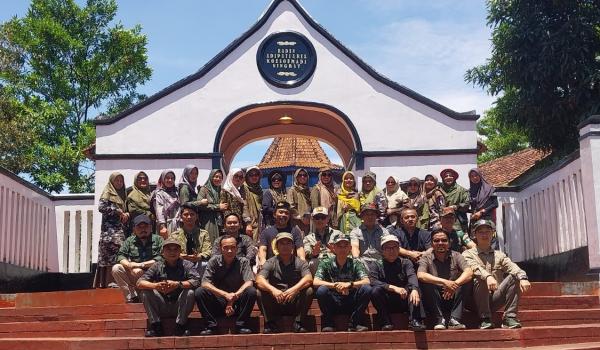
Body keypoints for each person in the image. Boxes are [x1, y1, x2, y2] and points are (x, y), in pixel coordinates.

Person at [463, 220, 531, 329]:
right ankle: (484, 318)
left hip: (494, 298)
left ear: (493, 233)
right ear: (474, 235)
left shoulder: (499, 255)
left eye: (488, 231)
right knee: (480, 278)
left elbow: (512, 266)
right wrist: (488, 276)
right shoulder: (467, 254)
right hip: (474, 300)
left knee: (514, 276)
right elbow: (475, 267)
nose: (484, 234)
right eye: (480, 232)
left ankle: (509, 317)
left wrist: (522, 277)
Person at [137, 238, 200, 337]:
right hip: (162, 305)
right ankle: (156, 326)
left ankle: (181, 325)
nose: (172, 252)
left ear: (180, 252)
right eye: (169, 249)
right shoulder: (157, 266)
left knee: (190, 292)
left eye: (175, 249)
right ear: (162, 252)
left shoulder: (187, 265)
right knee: (146, 292)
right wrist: (155, 286)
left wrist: (177, 284)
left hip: (179, 306)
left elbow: (197, 281)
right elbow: (140, 282)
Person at [195, 235, 257, 335]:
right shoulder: (214, 261)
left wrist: (234, 296)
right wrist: (225, 295)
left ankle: (241, 325)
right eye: (226, 248)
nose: (229, 251)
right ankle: (211, 326)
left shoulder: (243, 262)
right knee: (199, 292)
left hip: (237, 303)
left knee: (251, 291)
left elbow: (249, 282)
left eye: (232, 247)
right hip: (219, 303)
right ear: (220, 249)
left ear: (237, 249)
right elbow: (205, 283)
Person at [256, 232, 314, 333]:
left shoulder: (300, 262)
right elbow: (259, 279)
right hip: (276, 301)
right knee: (259, 292)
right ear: (277, 246)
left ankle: (298, 322)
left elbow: (309, 278)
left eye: (288, 243)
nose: (285, 246)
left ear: (293, 246)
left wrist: (294, 290)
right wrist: (273, 290)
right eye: (282, 243)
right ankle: (270, 323)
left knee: (309, 290)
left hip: (293, 302)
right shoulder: (270, 262)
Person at [313, 234, 372, 332]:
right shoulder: (325, 262)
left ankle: (355, 323)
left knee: (367, 288)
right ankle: (329, 323)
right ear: (334, 248)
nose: (342, 249)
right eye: (339, 246)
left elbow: (367, 281)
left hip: (351, 300)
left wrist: (349, 284)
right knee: (321, 290)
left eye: (345, 246)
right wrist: (335, 285)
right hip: (333, 301)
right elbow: (316, 282)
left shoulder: (355, 263)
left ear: (350, 248)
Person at [417, 229, 473, 330]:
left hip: (454, 297)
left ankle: (454, 319)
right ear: (432, 244)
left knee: (466, 282)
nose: (440, 243)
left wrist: (454, 285)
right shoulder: (426, 257)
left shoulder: (457, 255)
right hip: (435, 299)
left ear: (449, 242)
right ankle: (439, 319)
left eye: (444, 240)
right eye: (436, 241)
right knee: (425, 283)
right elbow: (421, 275)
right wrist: (445, 282)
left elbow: (469, 272)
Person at [369, 235, 426, 331]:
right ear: (382, 250)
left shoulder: (406, 262)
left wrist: (415, 289)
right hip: (387, 301)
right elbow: (373, 281)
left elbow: (412, 276)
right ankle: (385, 322)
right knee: (375, 291)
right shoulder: (376, 264)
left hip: (403, 299)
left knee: (414, 288)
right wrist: (392, 287)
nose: (392, 251)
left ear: (399, 249)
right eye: (388, 248)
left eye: (395, 247)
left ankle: (415, 320)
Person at [112, 214, 163, 303]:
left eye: (146, 227)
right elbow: (120, 256)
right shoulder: (129, 241)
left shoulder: (158, 239)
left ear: (151, 227)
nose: (143, 229)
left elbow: (162, 257)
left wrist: (141, 265)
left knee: (156, 299)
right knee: (116, 268)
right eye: (139, 227)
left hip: (154, 276)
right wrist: (130, 266)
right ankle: (132, 296)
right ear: (134, 229)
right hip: (136, 274)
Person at [94, 172, 129, 288]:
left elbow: (126, 209)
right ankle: (108, 282)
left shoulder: (123, 194)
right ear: (111, 182)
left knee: (121, 253)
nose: (119, 183)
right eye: (117, 181)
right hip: (109, 231)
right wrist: (117, 211)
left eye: (121, 181)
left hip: (120, 229)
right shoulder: (108, 192)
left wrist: (126, 214)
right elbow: (102, 207)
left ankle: (118, 281)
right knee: (110, 254)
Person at [258, 201, 305, 269]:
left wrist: (302, 260)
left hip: (291, 267)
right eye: (280, 212)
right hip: (272, 267)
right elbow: (263, 249)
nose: (283, 215)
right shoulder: (266, 232)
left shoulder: (295, 231)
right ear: (274, 214)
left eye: (286, 213)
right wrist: (262, 260)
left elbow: (300, 248)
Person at [170, 203, 212, 275]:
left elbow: (208, 251)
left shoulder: (204, 233)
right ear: (181, 217)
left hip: (198, 264)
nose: (189, 217)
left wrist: (199, 256)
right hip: (181, 263)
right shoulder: (174, 235)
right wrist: (179, 256)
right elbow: (168, 251)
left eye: (192, 214)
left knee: (205, 264)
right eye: (186, 215)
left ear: (197, 216)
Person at [350, 203, 391, 270]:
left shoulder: (384, 231)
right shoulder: (355, 232)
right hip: (363, 263)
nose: (370, 217)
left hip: (381, 263)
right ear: (362, 216)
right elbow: (355, 247)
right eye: (367, 214)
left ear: (376, 216)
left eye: (372, 214)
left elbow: (388, 249)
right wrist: (357, 262)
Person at [304, 207, 343, 274]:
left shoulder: (338, 234)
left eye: (323, 217)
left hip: (335, 263)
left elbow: (346, 251)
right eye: (317, 217)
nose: (320, 220)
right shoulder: (308, 238)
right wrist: (313, 254)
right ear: (313, 219)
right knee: (312, 262)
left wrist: (335, 251)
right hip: (317, 264)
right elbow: (306, 253)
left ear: (328, 219)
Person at [197, 169, 226, 245]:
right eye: (216, 177)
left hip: (219, 220)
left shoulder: (221, 190)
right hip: (208, 220)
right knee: (210, 241)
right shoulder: (204, 189)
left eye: (220, 177)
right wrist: (217, 207)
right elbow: (199, 205)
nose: (218, 179)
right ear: (211, 177)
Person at [440, 168, 469, 233]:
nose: (448, 177)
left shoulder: (462, 190)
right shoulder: (439, 190)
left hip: (458, 224)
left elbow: (467, 204)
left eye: (450, 176)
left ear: (454, 177)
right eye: (446, 176)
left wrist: (456, 206)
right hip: (442, 223)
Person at [154, 170, 180, 239]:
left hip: (178, 225)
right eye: (167, 178)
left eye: (172, 178)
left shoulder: (177, 192)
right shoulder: (159, 193)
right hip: (166, 225)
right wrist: (162, 227)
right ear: (163, 179)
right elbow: (159, 210)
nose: (170, 180)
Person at [287, 168, 312, 233]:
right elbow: (290, 207)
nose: (302, 177)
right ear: (296, 177)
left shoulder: (308, 191)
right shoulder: (292, 190)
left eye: (304, 175)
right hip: (297, 223)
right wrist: (301, 218)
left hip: (309, 222)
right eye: (300, 175)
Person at [243, 166, 263, 241]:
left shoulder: (259, 189)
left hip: (259, 222)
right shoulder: (244, 188)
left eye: (256, 175)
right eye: (251, 175)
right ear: (247, 177)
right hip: (249, 223)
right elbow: (244, 206)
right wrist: (248, 223)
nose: (254, 177)